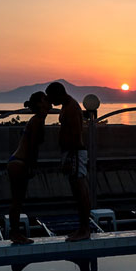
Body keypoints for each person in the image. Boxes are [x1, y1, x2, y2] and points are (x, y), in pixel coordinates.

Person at [45, 82, 91, 241]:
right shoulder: (67, 105)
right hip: (71, 153)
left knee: (80, 192)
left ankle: (85, 229)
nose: (50, 102)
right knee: (77, 192)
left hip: (75, 153)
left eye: (51, 98)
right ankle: (82, 228)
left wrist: (70, 158)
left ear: (58, 94)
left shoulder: (71, 107)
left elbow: (76, 135)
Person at [7, 92, 51, 244]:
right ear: (40, 104)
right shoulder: (37, 120)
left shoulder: (37, 120)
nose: (48, 101)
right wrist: (32, 166)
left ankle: (15, 233)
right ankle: (15, 234)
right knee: (17, 201)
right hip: (20, 162)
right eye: (45, 99)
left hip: (17, 161)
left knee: (17, 200)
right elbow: (33, 147)